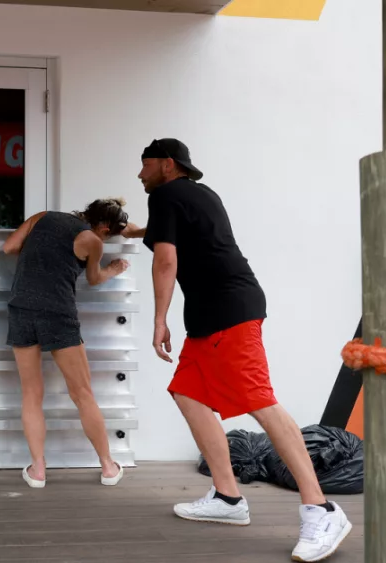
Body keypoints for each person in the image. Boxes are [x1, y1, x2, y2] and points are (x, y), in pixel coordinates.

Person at [122, 138, 351, 562]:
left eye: (145, 165)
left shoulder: (167, 194)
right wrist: (132, 231)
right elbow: (171, 235)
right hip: (213, 316)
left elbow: (166, 260)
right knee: (187, 393)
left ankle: (321, 508)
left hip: (229, 312)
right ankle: (228, 498)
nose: (139, 174)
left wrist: (158, 319)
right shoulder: (197, 194)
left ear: (167, 165)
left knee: (259, 401)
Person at [2, 200, 131, 489]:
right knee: (82, 393)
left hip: (21, 308)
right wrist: (114, 268)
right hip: (58, 313)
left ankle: (37, 470)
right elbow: (94, 278)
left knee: (31, 394)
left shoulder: (42, 216)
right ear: (104, 228)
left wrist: (40, 257)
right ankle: (108, 467)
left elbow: (9, 247)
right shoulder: (91, 240)